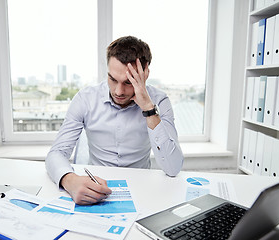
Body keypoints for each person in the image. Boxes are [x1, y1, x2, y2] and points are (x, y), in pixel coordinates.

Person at [45, 36, 184, 205]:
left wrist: (148, 108)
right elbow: (56, 153)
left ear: (145, 74)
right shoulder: (85, 99)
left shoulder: (159, 101)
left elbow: (173, 167)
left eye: (128, 82)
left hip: (141, 190)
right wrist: (69, 180)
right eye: (113, 79)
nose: (119, 91)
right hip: (96, 187)